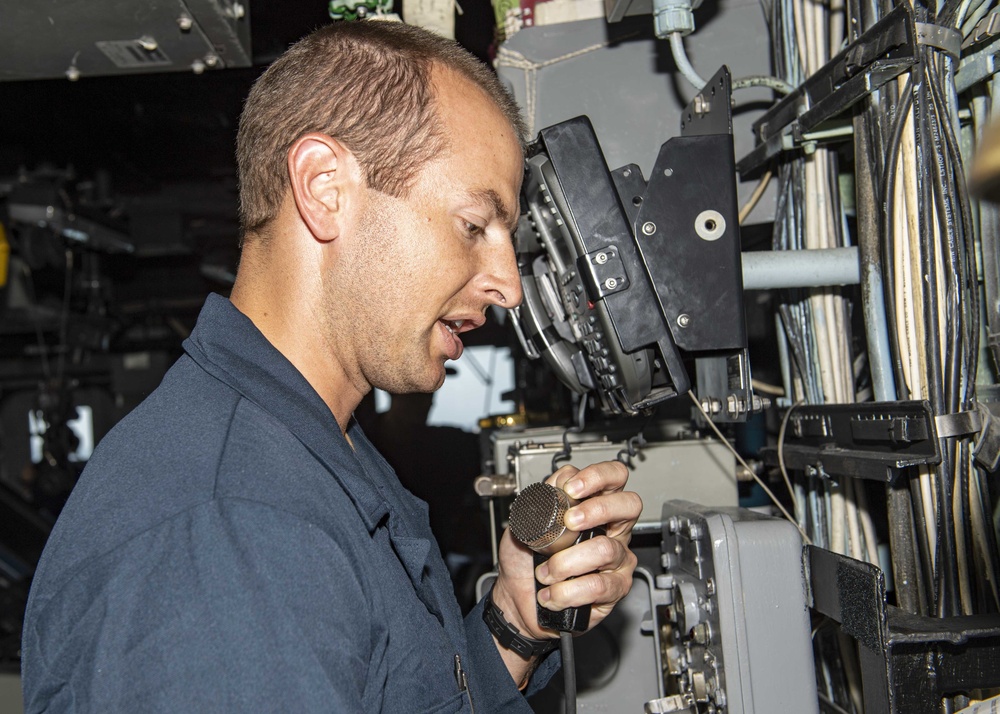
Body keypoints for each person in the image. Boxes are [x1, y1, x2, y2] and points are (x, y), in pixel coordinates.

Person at [20, 20, 642, 713]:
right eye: (474, 225)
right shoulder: (233, 532)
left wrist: (515, 628)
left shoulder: (312, 453)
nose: (508, 284)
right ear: (324, 188)